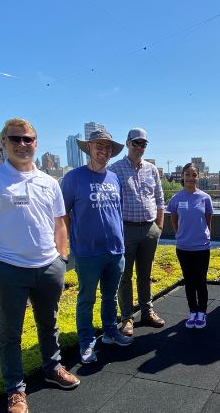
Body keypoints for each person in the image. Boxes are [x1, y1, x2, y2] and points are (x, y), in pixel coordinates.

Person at [0, 118, 79, 413]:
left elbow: (60, 223)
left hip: (48, 267)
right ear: (3, 143)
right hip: (10, 270)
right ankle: (15, 391)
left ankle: (53, 368)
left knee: (49, 323)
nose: (22, 144)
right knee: (10, 333)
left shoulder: (49, 182)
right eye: (15, 139)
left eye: (28, 139)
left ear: (36, 143)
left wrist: (61, 258)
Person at [61, 129, 133, 366]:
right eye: (99, 147)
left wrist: (120, 243)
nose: (104, 152)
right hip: (87, 253)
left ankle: (111, 331)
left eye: (108, 148)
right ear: (89, 149)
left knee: (110, 297)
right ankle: (86, 341)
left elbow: (117, 212)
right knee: (86, 299)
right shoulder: (73, 178)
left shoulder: (114, 178)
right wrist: (72, 240)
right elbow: (63, 215)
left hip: (115, 251)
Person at [108, 128, 166, 337]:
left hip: (149, 229)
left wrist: (158, 226)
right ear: (127, 143)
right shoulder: (115, 169)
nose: (140, 147)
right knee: (125, 276)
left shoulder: (151, 169)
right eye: (136, 143)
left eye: (143, 144)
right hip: (126, 229)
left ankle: (147, 312)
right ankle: (127, 317)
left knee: (145, 274)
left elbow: (160, 199)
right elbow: (111, 203)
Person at [167, 162, 214, 329]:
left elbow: (208, 219)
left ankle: (202, 312)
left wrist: (205, 235)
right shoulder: (176, 198)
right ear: (182, 176)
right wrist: (179, 233)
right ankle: (193, 311)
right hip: (183, 246)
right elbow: (173, 218)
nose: (190, 178)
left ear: (198, 177)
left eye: (194, 175)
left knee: (200, 281)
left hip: (201, 246)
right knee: (189, 281)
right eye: (187, 174)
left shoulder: (205, 198)